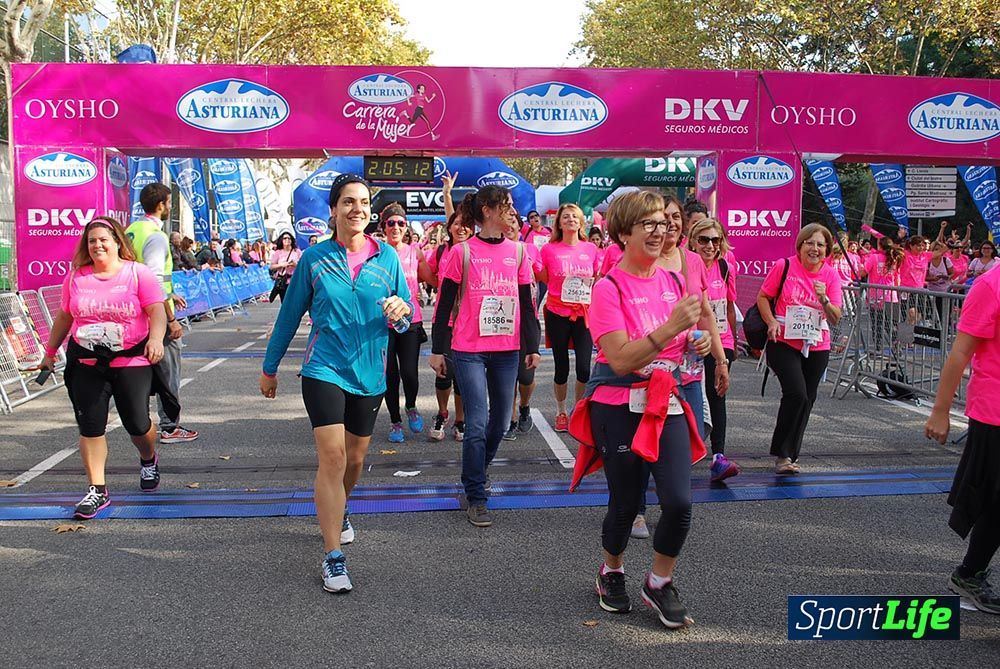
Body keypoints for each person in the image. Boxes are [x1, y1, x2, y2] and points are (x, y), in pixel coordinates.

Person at [260, 174, 412, 593]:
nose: (356, 209)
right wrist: (269, 367)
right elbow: (289, 316)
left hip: (369, 373)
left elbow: (405, 318)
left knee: (355, 459)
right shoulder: (314, 259)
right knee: (332, 457)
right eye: (348, 202)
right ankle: (333, 557)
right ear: (333, 210)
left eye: (363, 202)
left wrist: (402, 311)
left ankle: (339, 507)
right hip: (323, 369)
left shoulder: (388, 260)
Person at [578, 190, 710, 626]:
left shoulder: (674, 282)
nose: (661, 231)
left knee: (678, 501)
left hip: (663, 400)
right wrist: (671, 327)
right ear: (623, 232)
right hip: (617, 404)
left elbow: (682, 345)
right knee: (626, 500)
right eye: (649, 224)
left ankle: (658, 581)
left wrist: (697, 342)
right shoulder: (607, 288)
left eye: (665, 223)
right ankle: (611, 570)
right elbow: (619, 358)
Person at [39, 217, 167, 519]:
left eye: (103, 240)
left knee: (137, 423)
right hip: (86, 360)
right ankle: (97, 489)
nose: (97, 245)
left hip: (130, 358)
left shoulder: (138, 274)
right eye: (92, 241)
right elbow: (64, 317)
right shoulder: (76, 278)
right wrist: (49, 351)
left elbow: (156, 311)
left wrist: (157, 339)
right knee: (90, 425)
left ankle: (148, 458)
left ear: (117, 242)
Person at [430, 185, 541, 528]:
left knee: (500, 423)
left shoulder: (520, 252)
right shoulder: (462, 252)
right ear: (490, 211)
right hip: (469, 350)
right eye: (506, 206)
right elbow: (445, 304)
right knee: (476, 423)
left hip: (507, 350)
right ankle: (477, 494)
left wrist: (533, 345)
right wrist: (437, 349)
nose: (511, 213)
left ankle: (476, 469)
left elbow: (527, 303)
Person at [925, 262, 1000, 614]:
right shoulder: (990, 285)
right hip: (994, 412)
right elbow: (960, 352)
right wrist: (940, 411)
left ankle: (969, 573)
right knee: (992, 501)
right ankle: (969, 574)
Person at [757, 223, 843, 474]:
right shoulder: (784, 266)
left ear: (826, 250)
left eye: (820, 244)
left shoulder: (830, 275)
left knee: (808, 399)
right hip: (783, 340)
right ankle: (782, 454)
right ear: (800, 245)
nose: (814, 248)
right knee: (797, 394)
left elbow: (836, 317)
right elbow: (763, 297)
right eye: (809, 242)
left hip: (817, 342)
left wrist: (824, 298)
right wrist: (771, 321)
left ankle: (789, 456)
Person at [126, 183, 199, 445]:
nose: (170, 207)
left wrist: (171, 294)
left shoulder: (132, 230)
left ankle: (142, 422)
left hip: (135, 310)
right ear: (161, 205)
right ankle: (169, 426)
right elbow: (155, 282)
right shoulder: (156, 236)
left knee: (142, 369)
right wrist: (171, 319)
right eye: (169, 203)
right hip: (155, 314)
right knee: (169, 369)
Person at [538, 203, 600, 431]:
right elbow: (543, 276)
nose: (571, 219)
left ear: (581, 222)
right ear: (559, 223)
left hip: (583, 314)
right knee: (561, 366)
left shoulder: (590, 249)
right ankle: (561, 410)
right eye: (566, 217)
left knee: (584, 367)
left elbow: (595, 277)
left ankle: (578, 409)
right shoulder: (549, 249)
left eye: (575, 216)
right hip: (557, 313)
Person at [689, 218, 741, 481]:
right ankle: (683, 448)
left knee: (718, 393)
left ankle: (718, 456)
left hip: (722, 340)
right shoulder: (685, 265)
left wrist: (733, 339)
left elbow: (729, 305)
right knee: (689, 394)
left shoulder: (725, 267)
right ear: (693, 241)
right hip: (691, 340)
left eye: (715, 240)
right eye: (704, 240)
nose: (710, 245)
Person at [380, 203, 434, 443]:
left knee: (409, 374)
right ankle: (395, 422)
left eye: (401, 223)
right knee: (389, 375)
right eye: (391, 222)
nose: (396, 227)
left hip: (410, 321)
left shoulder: (415, 252)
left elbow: (434, 279)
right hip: (382, 323)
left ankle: (411, 406)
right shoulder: (376, 252)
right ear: (384, 226)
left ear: (406, 228)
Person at [426, 206, 473, 441]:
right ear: (449, 227)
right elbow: (429, 275)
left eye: (466, 224)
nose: (461, 227)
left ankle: (461, 420)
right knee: (444, 372)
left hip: (469, 322)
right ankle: (442, 413)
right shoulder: (440, 251)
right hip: (443, 320)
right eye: (456, 223)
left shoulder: (476, 251)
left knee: (463, 375)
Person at [522, 210, 552, 307]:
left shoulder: (549, 231)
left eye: (536, 216)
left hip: (544, 268)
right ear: (529, 222)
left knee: (539, 296)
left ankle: (535, 316)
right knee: (533, 295)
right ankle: (533, 317)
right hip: (531, 269)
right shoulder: (527, 230)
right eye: (531, 217)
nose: (535, 218)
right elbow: (517, 220)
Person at [268, 232, 301, 303]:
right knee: (285, 303)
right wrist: (281, 265)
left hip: (295, 281)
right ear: (281, 240)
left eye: (289, 238)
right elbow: (271, 267)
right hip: (283, 282)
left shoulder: (297, 251)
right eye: (285, 238)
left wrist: (295, 264)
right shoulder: (278, 252)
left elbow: (303, 266)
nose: (287, 240)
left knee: (295, 303)